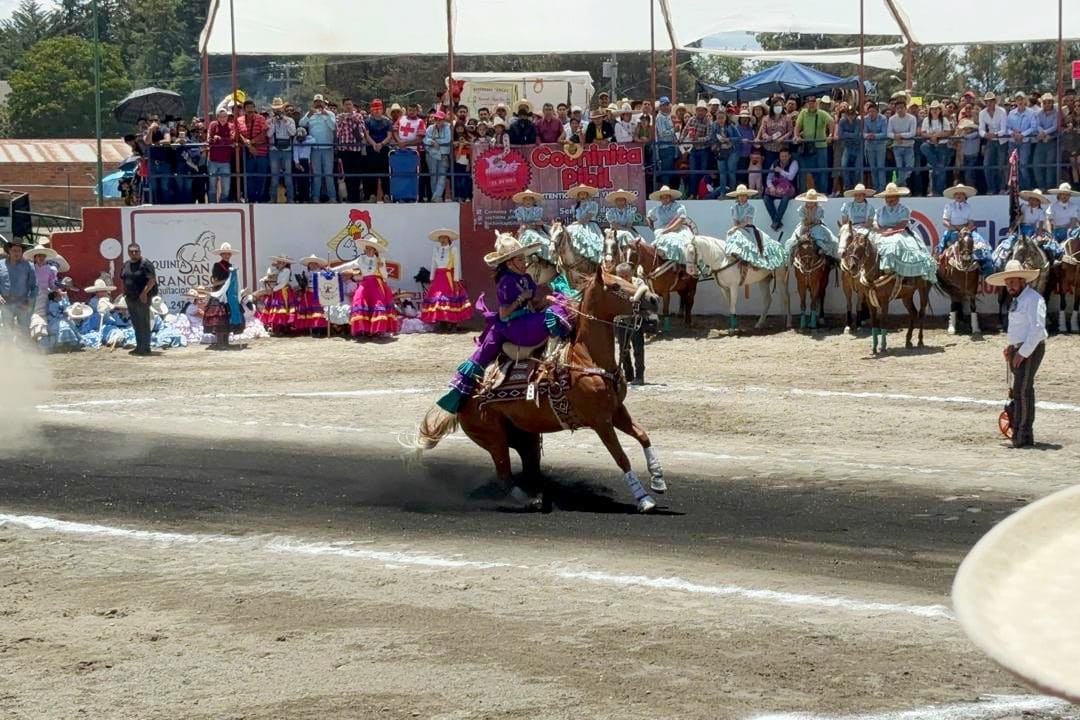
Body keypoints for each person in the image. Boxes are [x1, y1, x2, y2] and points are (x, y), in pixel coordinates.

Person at [434, 234, 570, 415]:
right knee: (553, 314)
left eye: (524, 258)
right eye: (520, 259)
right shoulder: (506, 282)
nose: (524, 262)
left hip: (527, 319)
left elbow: (531, 303)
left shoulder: (526, 278)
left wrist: (542, 301)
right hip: (515, 326)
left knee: (558, 305)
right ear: (509, 263)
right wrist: (523, 298)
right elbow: (505, 314)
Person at [987, 260, 1046, 448]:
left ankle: (1021, 436)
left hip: (1030, 348)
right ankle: (1024, 434)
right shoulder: (1019, 300)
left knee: (1022, 391)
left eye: (1013, 282)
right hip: (1019, 348)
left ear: (1023, 281)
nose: (1010, 286)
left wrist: (1023, 352)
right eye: (1007, 282)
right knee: (1024, 390)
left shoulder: (1033, 299)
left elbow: (1037, 329)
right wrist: (1011, 347)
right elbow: (1020, 328)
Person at [872, 183, 937, 283]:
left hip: (900, 233)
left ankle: (896, 270)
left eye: (892, 197)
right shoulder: (879, 211)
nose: (890, 200)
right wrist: (883, 231)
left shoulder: (904, 209)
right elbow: (875, 224)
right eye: (887, 197)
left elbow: (902, 224)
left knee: (896, 241)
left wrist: (891, 231)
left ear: (898, 198)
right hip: (882, 234)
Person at [347, 235, 399, 339]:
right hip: (365, 284)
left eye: (371, 248)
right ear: (365, 249)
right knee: (359, 301)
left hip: (376, 284)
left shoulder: (380, 259)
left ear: (374, 249)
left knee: (377, 305)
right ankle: (363, 329)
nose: (369, 250)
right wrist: (332, 269)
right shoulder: (361, 259)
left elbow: (385, 276)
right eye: (367, 248)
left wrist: (381, 267)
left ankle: (377, 330)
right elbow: (347, 265)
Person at [725, 184, 787, 270]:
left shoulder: (751, 208)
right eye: (740, 196)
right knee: (731, 235)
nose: (742, 198)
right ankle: (733, 258)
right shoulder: (733, 208)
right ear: (737, 197)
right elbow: (735, 222)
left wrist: (736, 228)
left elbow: (747, 222)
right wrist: (735, 228)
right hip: (738, 228)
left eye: (744, 195)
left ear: (747, 197)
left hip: (749, 228)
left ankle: (756, 259)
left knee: (753, 240)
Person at [421, 228, 473, 329]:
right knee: (438, 298)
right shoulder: (436, 250)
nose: (442, 240)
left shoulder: (453, 249)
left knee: (450, 297)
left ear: (448, 239)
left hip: (449, 276)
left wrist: (456, 279)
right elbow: (433, 264)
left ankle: (453, 322)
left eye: (444, 237)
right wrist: (431, 278)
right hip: (439, 277)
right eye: (440, 238)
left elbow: (457, 264)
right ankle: (442, 322)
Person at [938, 184, 993, 276]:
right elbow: (945, 221)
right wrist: (954, 228)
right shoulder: (949, 206)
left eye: (961, 193)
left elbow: (971, 222)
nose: (958, 195)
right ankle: (939, 266)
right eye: (956, 194)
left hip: (966, 231)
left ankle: (984, 269)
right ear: (954, 196)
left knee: (981, 247)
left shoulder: (968, 207)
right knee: (941, 250)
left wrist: (965, 229)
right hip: (953, 230)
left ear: (965, 196)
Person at [203, 241, 245, 349]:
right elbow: (215, 283)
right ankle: (220, 342)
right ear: (221, 255)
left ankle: (226, 342)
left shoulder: (232, 267)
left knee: (228, 318)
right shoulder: (217, 266)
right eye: (224, 254)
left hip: (230, 295)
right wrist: (228, 280)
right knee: (220, 319)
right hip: (219, 295)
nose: (227, 255)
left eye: (228, 254)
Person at [119, 242, 157, 356]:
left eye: (136, 251)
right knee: (136, 323)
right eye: (131, 251)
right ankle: (139, 346)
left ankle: (145, 348)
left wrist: (144, 293)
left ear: (140, 252)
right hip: (130, 298)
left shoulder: (146, 264)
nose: (134, 253)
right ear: (128, 252)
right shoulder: (126, 264)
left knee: (143, 322)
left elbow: (151, 280)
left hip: (142, 297)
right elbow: (124, 278)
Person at [299, 94, 338, 203]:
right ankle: (315, 197)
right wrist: (309, 114)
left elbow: (333, 127)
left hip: (328, 148)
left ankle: (333, 197)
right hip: (315, 149)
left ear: (323, 103)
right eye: (316, 102)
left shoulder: (330, 113)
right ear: (314, 103)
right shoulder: (310, 114)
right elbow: (301, 123)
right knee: (317, 175)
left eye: (320, 102)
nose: (318, 104)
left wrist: (325, 115)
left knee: (328, 174)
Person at [614, 262, 646, 386]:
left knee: (638, 349)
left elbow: (643, 292)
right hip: (620, 321)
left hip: (635, 321)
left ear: (631, 273)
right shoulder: (615, 283)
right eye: (621, 276)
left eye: (626, 276)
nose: (623, 279)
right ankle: (628, 375)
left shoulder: (638, 282)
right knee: (623, 349)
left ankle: (639, 376)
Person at [647, 185, 695, 267]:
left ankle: (684, 266)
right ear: (660, 199)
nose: (665, 199)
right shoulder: (657, 209)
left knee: (683, 243)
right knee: (659, 243)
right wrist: (653, 228)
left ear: (671, 197)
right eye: (662, 197)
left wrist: (668, 230)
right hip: (663, 229)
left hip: (679, 229)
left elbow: (680, 221)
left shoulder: (679, 207)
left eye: (667, 197)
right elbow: (649, 217)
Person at [793, 95, 833, 193]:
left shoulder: (822, 114)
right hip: (807, 147)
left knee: (822, 171)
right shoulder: (803, 113)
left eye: (813, 102)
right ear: (807, 104)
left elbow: (831, 122)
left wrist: (831, 135)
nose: (811, 104)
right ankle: (804, 193)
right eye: (809, 102)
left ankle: (823, 193)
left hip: (821, 147)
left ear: (816, 103)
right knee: (806, 172)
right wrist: (796, 136)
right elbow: (797, 126)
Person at [788, 189, 840, 260]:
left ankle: (828, 255)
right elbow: (805, 221)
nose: (810, 203)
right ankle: (791, 260)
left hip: (817, 226)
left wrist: (810, 225)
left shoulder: (819, 209)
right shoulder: (802, 209)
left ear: (816, 202)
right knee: (793, 241)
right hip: (804, 226)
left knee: (828, 241)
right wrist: (807, 225)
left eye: (812, 201)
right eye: (808, 201)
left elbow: (817, 221)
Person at [236, 100, 270, 203]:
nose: (250, 109)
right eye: (247, 107)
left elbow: (264, 134)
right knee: (248, 177)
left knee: (261, 176)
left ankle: (260, 198)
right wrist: (249, 146)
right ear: (244, 109)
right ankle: (250, 198)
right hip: (247, 153)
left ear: (254, 108)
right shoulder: (239, 120)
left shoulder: (261, 118)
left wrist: (251, 142)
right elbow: (239, 134)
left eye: (252, 107)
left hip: (261, 153)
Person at [919, 101, 954, 196]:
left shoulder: (944, 120)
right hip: (930, 145)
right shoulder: (926, 120)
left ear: (940, 110)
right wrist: (932, 136)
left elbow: (948, 132)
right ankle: (935, 191)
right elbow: (922, 133)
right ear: (930, 110)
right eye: (933, 109)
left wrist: (937, 135)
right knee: (924, 147)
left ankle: (938, 191)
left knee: (938, 170)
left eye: (936, 109)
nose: (934, 111)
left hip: (942, 145)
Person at [565, 185, 604, 264]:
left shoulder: (592, 205)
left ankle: (593, 262)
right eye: (580, 194)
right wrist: (575, 223)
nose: (582, 196)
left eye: (584, 194)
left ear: (587, 195)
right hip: (578, 226)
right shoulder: (575, 207)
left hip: (590, 226)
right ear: (578, 196)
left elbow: (587, 218)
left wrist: (577, 223)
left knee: (591, 241)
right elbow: (575, 218)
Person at [762, 148, 799, 233]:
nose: (783, 158)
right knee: (766, 197)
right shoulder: (775, 163)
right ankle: (777, 222)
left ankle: (776, 221)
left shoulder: (794, 163)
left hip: (789, 187)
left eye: (786, 156)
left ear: (789, 156)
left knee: (785, 198)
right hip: (776, 187)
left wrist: (781, 171)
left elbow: (791, 177)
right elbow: (769, 178)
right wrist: (771, 186)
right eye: (782, 156)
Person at [979, 93, 1009, 194]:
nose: (989, 103)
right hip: (990, 140)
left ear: (995, 102)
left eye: (991, 101)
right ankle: (991, 188)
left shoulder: (1002, 111)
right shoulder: (982, 113)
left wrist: (994, 134)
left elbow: (1004, 129)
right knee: (986, 165)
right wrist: (985, 135)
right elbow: (981, 129)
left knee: (1001, 165)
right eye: (987, 101)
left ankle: (1001, 188)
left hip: (1001, 141)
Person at [267, 98, 296, 202]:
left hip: (287, 151)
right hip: (274, 150)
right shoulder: (269, 121)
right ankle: (273, 199)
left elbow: (293, 133)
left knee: (288, 176)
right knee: (274, 177)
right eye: (276, 109)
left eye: (279, 108)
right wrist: (274, 124)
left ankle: (290, 198)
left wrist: (285, 121)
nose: (278, 111)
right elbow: (268, 134)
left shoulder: (290, 120)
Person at [887, 98, 918, 188]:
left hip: (909, 146)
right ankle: (903, 189)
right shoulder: (892, 119)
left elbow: (912, 133)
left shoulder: (912, 118)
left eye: (901, 107)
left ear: (905, 108)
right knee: (900, 168)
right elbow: (888, 133)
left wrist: (899, 135)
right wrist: (895, 136)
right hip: (897, 146)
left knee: (909, 168)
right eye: (898, 108)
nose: (900, 110)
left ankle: (896, 184)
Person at [423, 110, 452, 202]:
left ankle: (437, 195)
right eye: (436, 118)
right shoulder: (430, 128)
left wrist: (436, 141)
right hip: (431, 154)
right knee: (433, 175)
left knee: (442, 175)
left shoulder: (447, 128)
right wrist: (432, 142)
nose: (438, 120)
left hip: (443, 154)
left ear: (443, 120)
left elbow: (447, 139)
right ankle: (434, 196)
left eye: (440, 119)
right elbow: (425, 139)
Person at [294, 255, 329, 333]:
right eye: (310, 264)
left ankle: (320, 328)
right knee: (309, 310)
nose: (312, 265)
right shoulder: (306, 273)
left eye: (314, 264)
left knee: (318, 310)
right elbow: (305, 283)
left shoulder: (322, 272)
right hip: (308, 293)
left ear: (317, 264)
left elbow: (327, 281)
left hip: (318, 293)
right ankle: (312, 327)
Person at [1032, 93, 1059, 191]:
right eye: (1045, 102)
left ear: (1052, 103)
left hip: (1051, 141)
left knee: (1050, 164)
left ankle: (1049, 187)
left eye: (1049, 102)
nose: (1047, 104)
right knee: (1036, 164)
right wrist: (1042, 133)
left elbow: (1055, 126)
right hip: (1041, 140)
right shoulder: (1039, 113)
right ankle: (1041, 186)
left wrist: (1044, 133)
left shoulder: (1056, 113)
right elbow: (1037, 125)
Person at [264, 255, 297, 334]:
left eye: (280, 262)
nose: (278, 263)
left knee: (282, 308)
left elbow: (283, 283)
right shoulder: (280, 270)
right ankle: (280, 328)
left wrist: (274, 289)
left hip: (283, 291)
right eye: (278, 262)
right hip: (279, 290)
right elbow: (272, 274)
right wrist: (275, 267)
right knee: (278, 309)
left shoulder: (286, 270)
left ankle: (284, 327)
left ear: (285, 263)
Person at [838, 183, 875, 254]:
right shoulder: (847, 206)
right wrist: (850, 228)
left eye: (860, 195)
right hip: (851, 227)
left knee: (869, 239)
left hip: (864, 227)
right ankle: (842, 255)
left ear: (864, 196)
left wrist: (861, 227)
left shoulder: (870, 207)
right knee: (844, 238)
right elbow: (844, 222)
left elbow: (870, 222)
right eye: (856, 195)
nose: (858, 197)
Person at [604, 189, 643, 254]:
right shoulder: (610, 212)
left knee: (640, 240)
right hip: (614, 232)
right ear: (615, 202)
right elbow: (615, 226)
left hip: (628, 230)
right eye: (618, 200)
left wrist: (628, 230)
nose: (620, 202)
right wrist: (626, 230)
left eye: (622, 200)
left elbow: (629, 225)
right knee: (626, 234)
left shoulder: (631, 212)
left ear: (625, 201)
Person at [207, 108, 234, 202]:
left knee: (226, 187)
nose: (223, 118)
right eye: (221, 116)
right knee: (212, 186)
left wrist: (219, 139)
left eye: (225, 116)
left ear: (227, 117)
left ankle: (223, 204)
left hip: (225, 161)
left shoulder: (231, 126)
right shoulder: (213, 124)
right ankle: (212, 206)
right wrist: (224, 140)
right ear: (217, 117)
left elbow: (232, 139)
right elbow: (209, 140)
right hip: (213, 160)